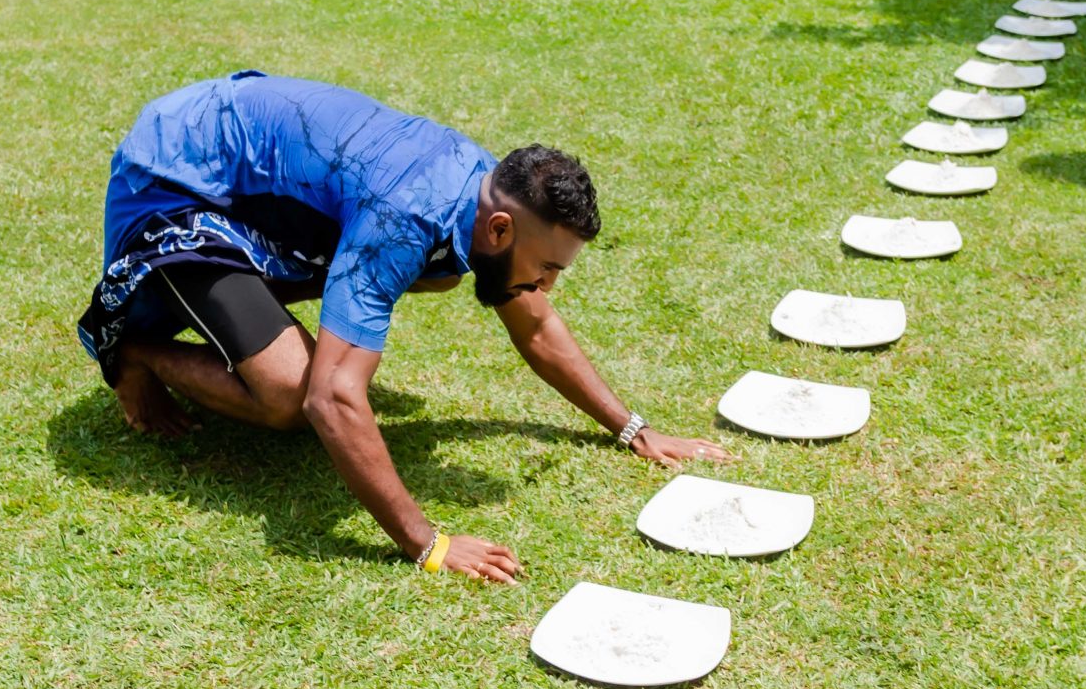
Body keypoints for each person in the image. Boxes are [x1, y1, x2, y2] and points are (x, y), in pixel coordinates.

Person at [77, 71, 731, 582]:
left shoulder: (485, 197)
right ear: (502, 228)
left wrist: (634, 429)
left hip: (247, 176)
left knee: (445, 272)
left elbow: (534, 326)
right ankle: (132, 347)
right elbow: (330, 398)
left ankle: (248, 302)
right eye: (548, 267)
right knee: (290, 391)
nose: (547, 286)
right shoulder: (409, 216)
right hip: (174, 180)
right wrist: (429, 543)